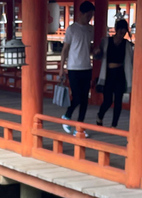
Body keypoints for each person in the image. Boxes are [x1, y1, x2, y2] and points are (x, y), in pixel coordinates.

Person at [59, 0, 95, 137]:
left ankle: (80, 127)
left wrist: (95, 51)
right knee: (78, 96)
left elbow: (89, 48)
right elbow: (65, 50)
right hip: (74, 68)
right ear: (81, 13)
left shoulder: (90, 29)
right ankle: (67, 115)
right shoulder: (72, 29)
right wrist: (62, 68)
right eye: (88, 15)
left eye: (91, 16)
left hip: (87, 67)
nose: (90, 18)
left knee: (85, 99)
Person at [94, 19, 133, 128]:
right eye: (121, 31)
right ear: (116, 30)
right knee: (108, 100)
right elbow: (98, 57)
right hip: (108, 74)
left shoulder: (127, 45)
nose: (122, 34)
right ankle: (100, 115)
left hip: (120, 74)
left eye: (124, 32)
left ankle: (114, 125)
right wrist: (97, 52)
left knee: (118, 101)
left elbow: (132, 61)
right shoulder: (106, 41)